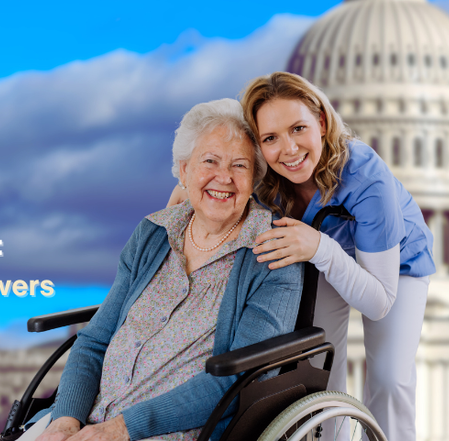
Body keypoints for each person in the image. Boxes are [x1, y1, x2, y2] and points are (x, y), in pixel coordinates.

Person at [168, 72, 434, 441]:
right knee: (318, 365)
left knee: (390, 379)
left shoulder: (366, 179)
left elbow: (378, 303)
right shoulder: (263, 174)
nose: (289, 149)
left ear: (321, 122)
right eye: (271, 138)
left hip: (394, 267)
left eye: (298, 129)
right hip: (317, 255)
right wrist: (181, 204)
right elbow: (202, 185)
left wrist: (321, 248)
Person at [26, 98, 303, 441]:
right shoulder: (153, 233)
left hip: (172, 430)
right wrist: (65, 420)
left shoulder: (273, 253)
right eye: (210, 161)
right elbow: (95, 342)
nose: (224, 177)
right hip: (88, 419)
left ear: (254, 179)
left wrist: (121, 429)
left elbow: (240, 378)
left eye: (240, 166)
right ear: (184, 171)